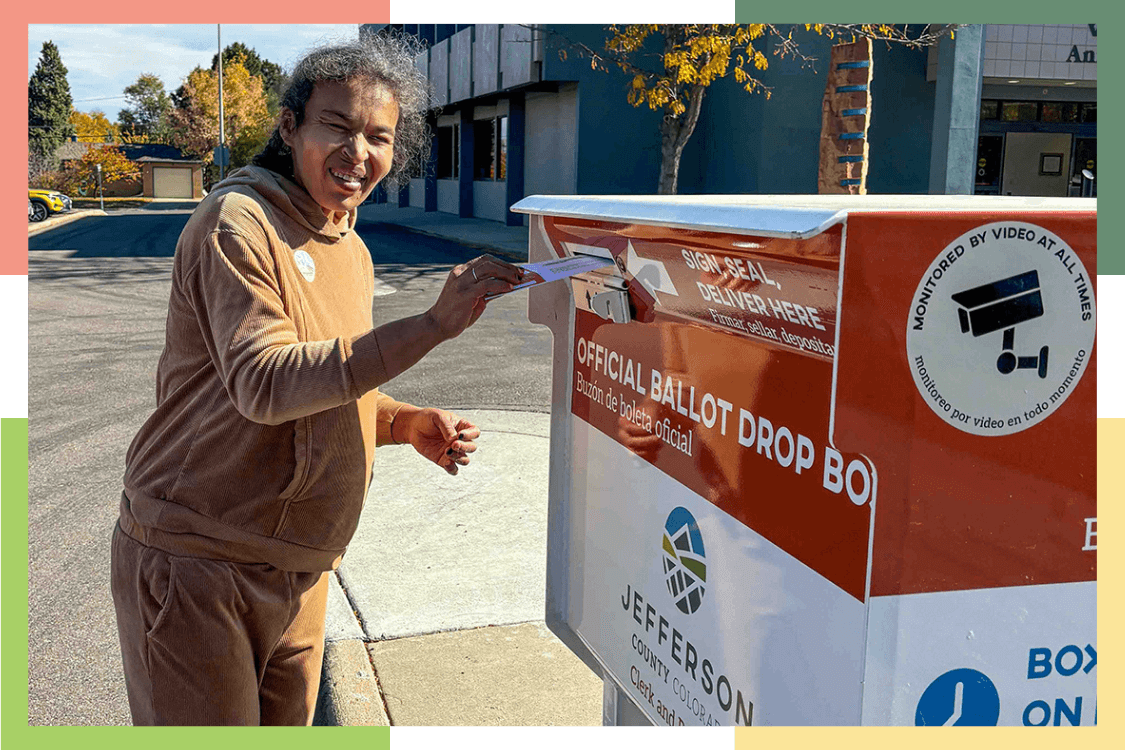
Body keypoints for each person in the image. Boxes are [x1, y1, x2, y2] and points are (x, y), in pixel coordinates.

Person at [110, 33, 526, 726]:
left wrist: (397, 421)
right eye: (336, 125)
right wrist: (430, 325)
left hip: (301, 569)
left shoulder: (352, 248)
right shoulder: (235, 224)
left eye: (378, 136)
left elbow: (330, 371)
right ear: (289, 126)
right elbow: (265, 383)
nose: (357, 152)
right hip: (199, 563)